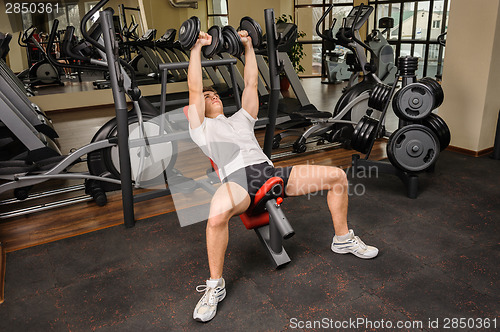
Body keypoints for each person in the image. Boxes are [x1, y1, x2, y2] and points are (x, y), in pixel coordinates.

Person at [187, 29, 379, 323]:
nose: (211, 96)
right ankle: (215, 285)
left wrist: (249, 45)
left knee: (337, 177)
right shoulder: (201, 129)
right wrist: (198, 48)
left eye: (214, 94)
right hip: (238, 182)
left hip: (270, 172)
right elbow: (194, 88)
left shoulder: (241, 118)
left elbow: (251, 82)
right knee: (216, 215)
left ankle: (342, 239)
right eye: (206, 96)